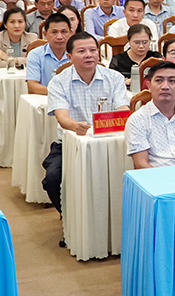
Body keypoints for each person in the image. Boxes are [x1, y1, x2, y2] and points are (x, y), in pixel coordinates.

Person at [44, 32, 129, 211]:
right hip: (70, 143)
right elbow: (62, 117)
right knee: (52, 178)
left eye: (92, 50)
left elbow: (123, 111)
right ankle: (68, 217)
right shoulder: (58, 82)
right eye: (81, 51)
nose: (88, 55)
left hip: (110, 142)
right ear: (69, 57)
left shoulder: (114, 78)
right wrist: (76, 126)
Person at [25, 13, 71, 94]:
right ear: (45, 34)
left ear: (70, 33)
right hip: (45, 98)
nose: (59, 37)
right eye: (54, 32)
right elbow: (32, 85)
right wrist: (58, 93)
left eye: (64, 32)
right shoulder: (35, 54)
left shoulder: (78, 54)